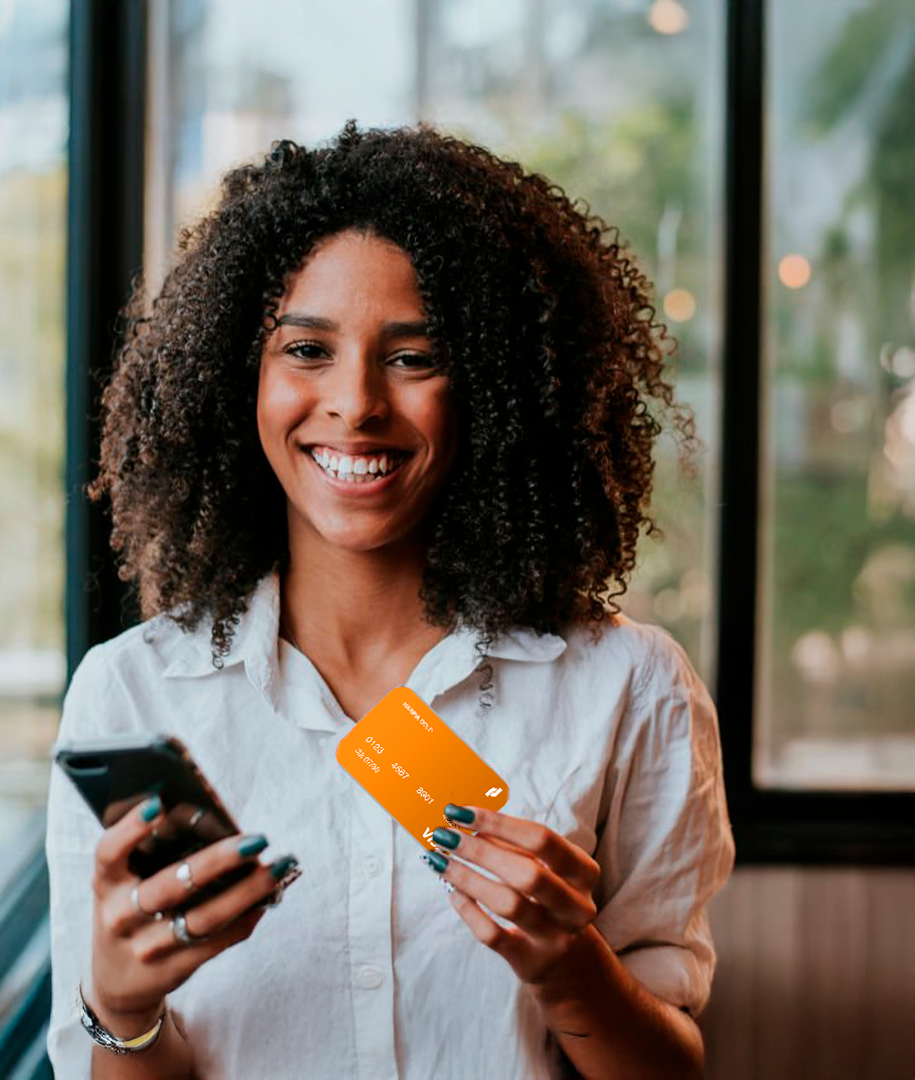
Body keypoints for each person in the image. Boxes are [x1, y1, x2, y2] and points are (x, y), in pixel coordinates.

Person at [45, 121, 735, 1080]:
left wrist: (571, 971)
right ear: (239, 378)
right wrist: (123, 1005)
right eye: (307, 350)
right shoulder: (132, 697)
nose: (356, 402)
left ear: (492, 391)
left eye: (414, 358)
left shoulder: (629, 688)